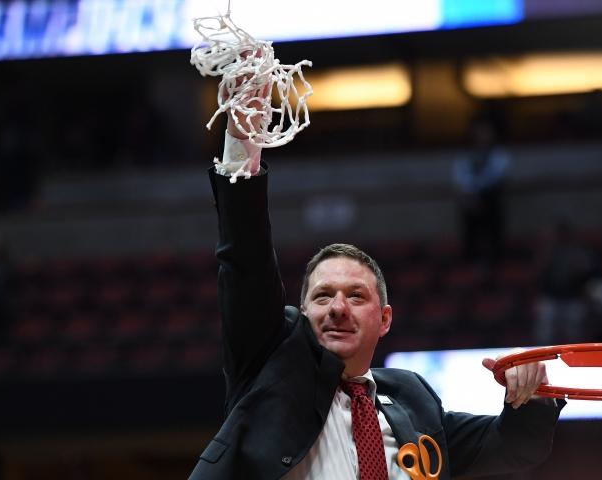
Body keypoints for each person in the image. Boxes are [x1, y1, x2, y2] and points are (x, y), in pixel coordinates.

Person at [190, 108, 564, 479]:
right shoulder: (271, 367)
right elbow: (246, 261)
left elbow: (511, 446)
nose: (338, 307)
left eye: (356, 296)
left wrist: (530, 396)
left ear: (384, 319)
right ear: (302, 313)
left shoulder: (411, 397)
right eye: (322, 296)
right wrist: (242, 146)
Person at [452, 118, 510, 264]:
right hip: (470, 200)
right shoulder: (465, 155)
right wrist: (470, 193)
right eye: (479, 132)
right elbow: (460, 176)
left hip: (490, 199)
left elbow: (495, 175)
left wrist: (476, 190)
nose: (483, 136)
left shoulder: (499, 154)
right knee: (471, 231)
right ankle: (470, 259)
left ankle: (495, 258)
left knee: (493, 232)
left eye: (486, 132)